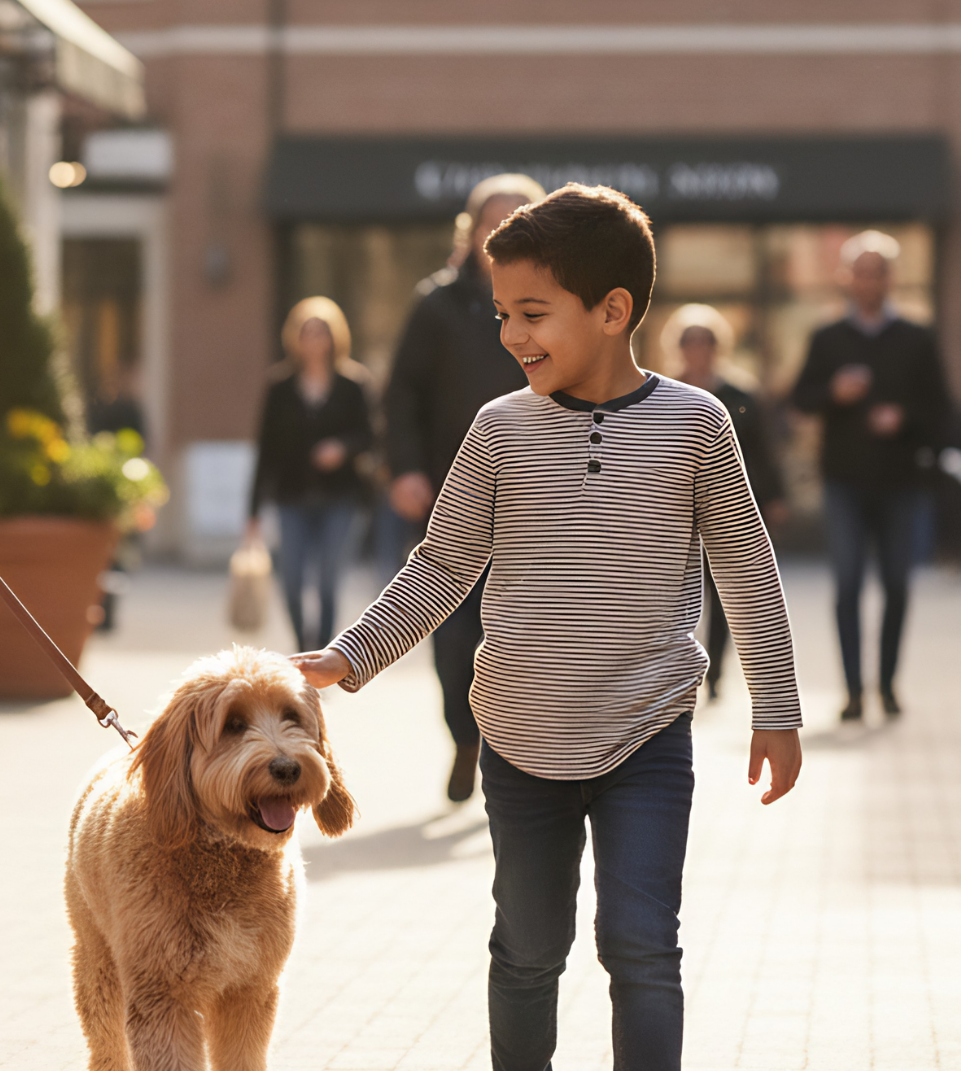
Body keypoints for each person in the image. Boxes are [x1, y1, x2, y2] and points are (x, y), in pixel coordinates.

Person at [296, 184, 803, 1071]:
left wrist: (778, 708)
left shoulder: (698, 423)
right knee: (528, 951)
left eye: (533, 312)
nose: (511, 335)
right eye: (501, 313)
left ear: (613, 310)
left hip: (648, 731)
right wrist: (353, 654)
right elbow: (442, 565)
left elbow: (747, 569)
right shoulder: (498, 432)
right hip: (522, 736)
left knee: (641, 943)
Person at [383, 171, 549, 802]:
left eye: (518, 221)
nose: (502, 234)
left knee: (529, 632)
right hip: (452, 492)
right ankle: (466, 737)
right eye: (493, 223)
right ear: (473, 232)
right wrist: (404, 470)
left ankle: (515, 751)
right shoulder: (438, 304)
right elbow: (401, 395)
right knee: (453, 637)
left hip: (538, 499)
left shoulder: (561, 301)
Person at [789, 230, 951, 721]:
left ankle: (887, 685)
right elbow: (800, 397)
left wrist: (904, 419)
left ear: (890, 279)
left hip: (901, 482)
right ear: (848, 278)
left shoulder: (917, 338)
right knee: (847, 587)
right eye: (860, 271)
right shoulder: (828, 338)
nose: (868, 280)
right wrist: (833, 393)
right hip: (845, 482)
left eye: (877, 271)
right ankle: (854, 692)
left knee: (898, 586)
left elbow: (942, 410)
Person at [662, 304, 789, 699]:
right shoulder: (662, 394)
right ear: (678, 346)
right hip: (676, 509)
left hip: (726, 508)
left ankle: (714, 673)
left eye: (706, 340)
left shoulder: (741, 394)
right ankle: (674, 669)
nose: (698, 348)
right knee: (672, 593)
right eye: (690, 340)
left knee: (724, 595)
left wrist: (774, 498)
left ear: (719, 346)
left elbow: (763, 452)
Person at [245, 297, 374, 651]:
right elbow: (265, 451)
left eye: (322, 332)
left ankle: (326, 652)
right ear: (296, 338)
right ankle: (304, 646)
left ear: (335, 337)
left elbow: (370, 437)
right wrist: (252, 512)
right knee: (291, 580)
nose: (315, 340)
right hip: (292, 498)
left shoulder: (353, 383)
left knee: (330, 581)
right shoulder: (279, 387)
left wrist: (342, 449)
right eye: (308, 332)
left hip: (340, 499)